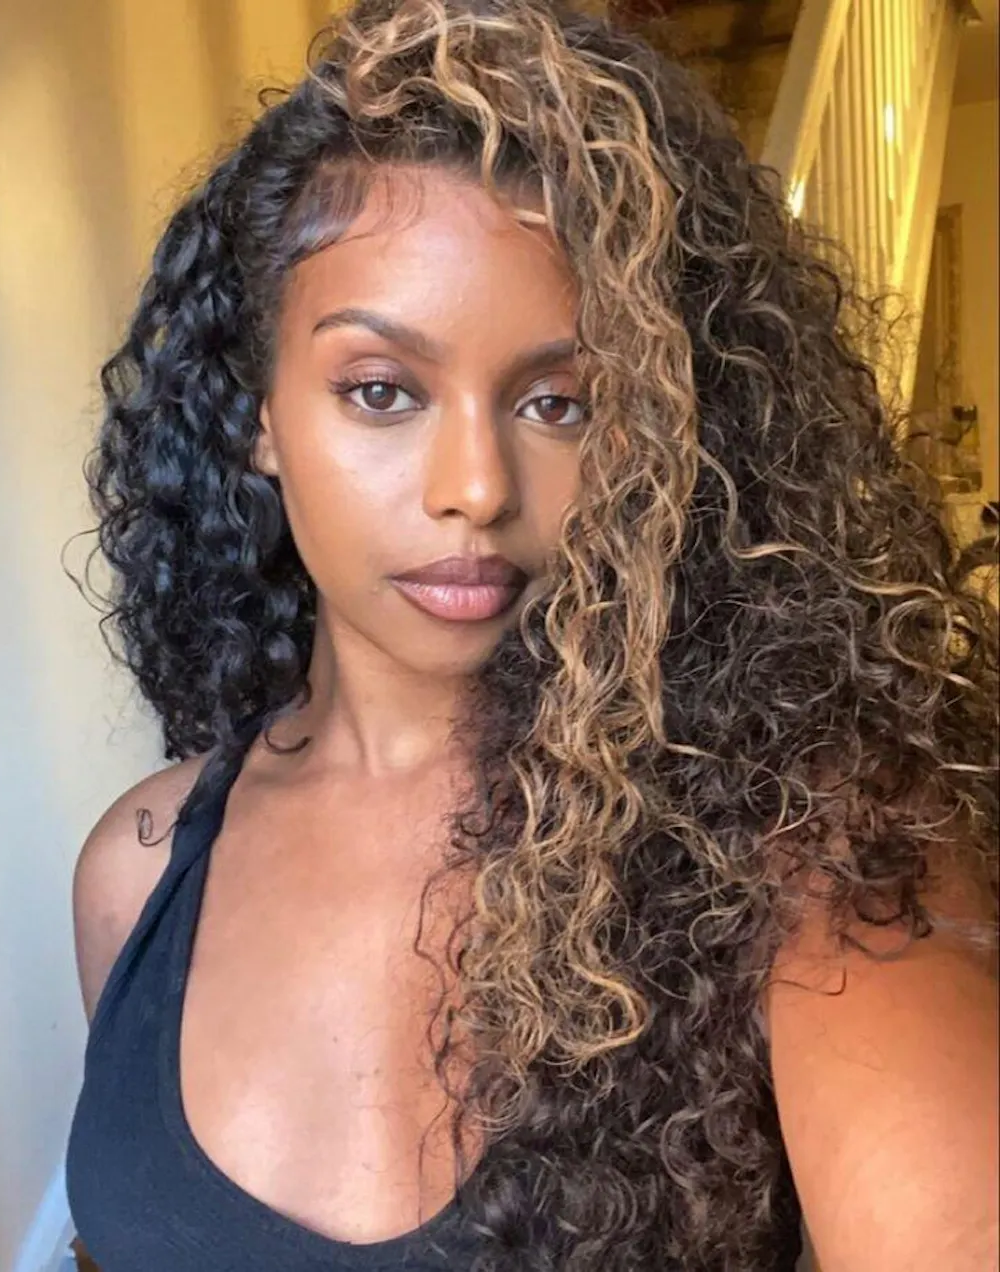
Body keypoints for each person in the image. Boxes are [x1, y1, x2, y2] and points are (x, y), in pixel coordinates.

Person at [64, 0, 999, 1269]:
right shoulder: (139, 869)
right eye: (380, 391)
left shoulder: (812, 849)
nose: (477, 488)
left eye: (561, 403)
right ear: (259, 416)